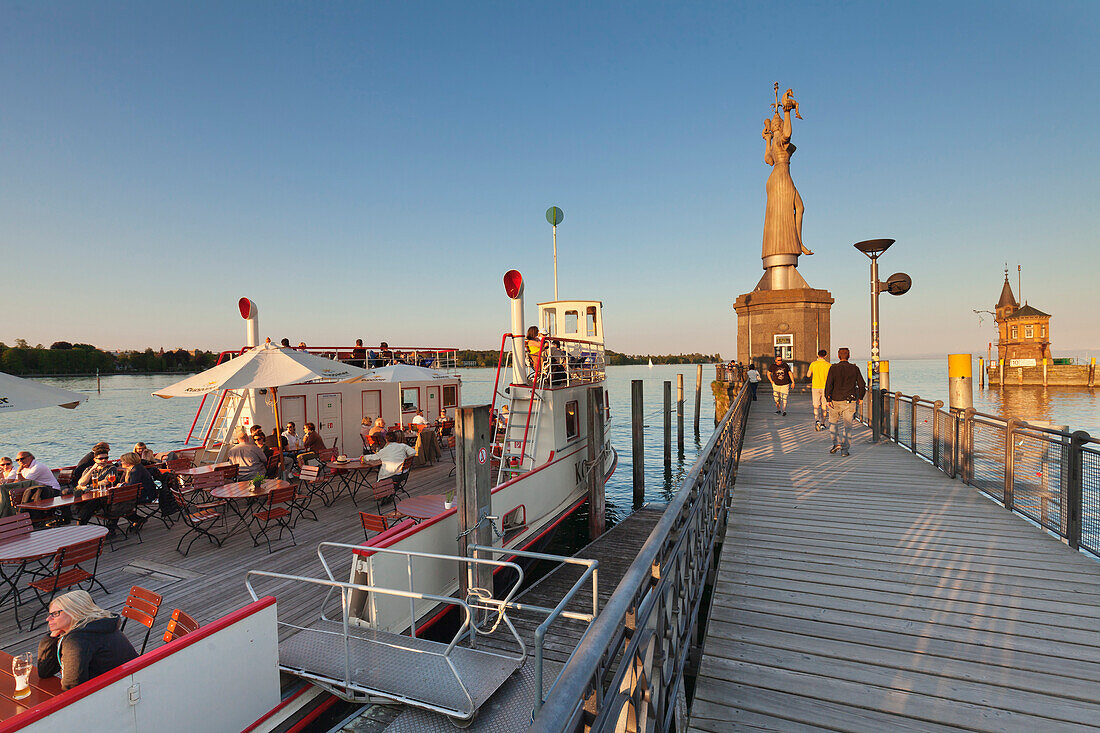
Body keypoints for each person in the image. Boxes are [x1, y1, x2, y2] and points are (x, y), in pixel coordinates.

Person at [36, 590, 138, 691]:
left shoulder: (77, 640)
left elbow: (72, 687)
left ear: (74, 612)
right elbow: (45, 672)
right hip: (131, 683)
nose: (48, 619)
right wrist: (52, 638)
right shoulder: (99, 625)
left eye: (55, 614)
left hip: (112, 693)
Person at [824, 347, 867, 457]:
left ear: (838, 356)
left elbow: (829, 384)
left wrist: (827, 398)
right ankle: (845, 450)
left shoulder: (833, 368)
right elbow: (862, 384)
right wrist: (861, 397)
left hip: (835, 400)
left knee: (833, 423)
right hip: (850, 400)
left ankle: (836, 443)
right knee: (847, 426)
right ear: (849, 356)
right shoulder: (854, 368)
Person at [807, 349, 832, 431]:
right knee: (824, 406)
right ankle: (823, 423)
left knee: (816, 406)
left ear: (818, 355)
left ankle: (817, 420)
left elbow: (808, 375)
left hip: (815, 386)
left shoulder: (813, 364)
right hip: (825, 387)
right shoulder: (829, 365)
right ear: (826, 356)